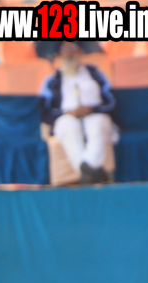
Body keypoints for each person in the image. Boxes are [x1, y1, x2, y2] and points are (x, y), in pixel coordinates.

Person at [40, 41, 115, 184]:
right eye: (65, 48)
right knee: (68, 125)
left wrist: (93, 109)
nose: (69, 52)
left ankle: (86, 172)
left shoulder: (96, 75)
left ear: (80, 51)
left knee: (98, 123)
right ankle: (92, 173)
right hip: (66, 118)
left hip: (94, 115)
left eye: (73, 47)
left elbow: (112, 103)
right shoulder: (52, 81)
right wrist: (68, 113)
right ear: (60, 53)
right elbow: (44, 112)